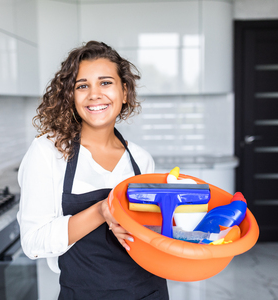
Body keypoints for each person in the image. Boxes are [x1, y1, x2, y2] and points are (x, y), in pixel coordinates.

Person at [17, 41, 169, 300]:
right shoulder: (48, 152)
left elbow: (149, 234)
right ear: (70, 95)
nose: (94, 94)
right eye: (82, 85)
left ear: (124, 91)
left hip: (148, 292)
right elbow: (33, 242)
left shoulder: (141, 160)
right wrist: (101, 211)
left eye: (105, 82)